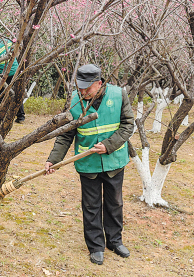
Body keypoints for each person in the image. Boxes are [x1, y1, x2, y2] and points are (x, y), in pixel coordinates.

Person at [44, 64, 135, 265]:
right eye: (80, 87)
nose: (83, 92)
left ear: (99, 84)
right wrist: (54, 160)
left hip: (114, 160)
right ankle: (95, 246)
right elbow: (66, 134)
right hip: (88, 163)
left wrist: (109, 145)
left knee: (115, 203)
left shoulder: (119, 95)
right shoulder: (75, 102)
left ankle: (114, 241)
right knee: (91, 206)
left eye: (87, 88)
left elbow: (129, 125)